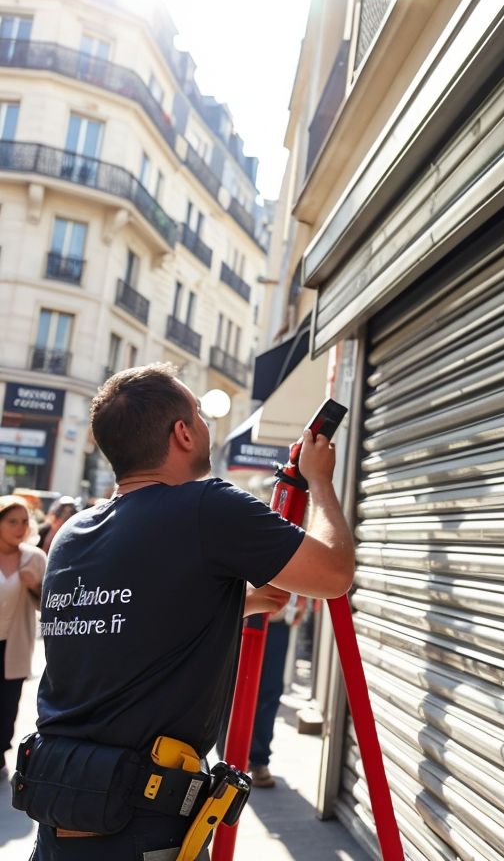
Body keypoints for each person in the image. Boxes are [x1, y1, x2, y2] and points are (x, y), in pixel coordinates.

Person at [29, 363, 355, 860]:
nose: (205, 424)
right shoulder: (206, 506)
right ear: (182, 433)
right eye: (199, 414)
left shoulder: (73, 533)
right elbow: (333, 575)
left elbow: (126, 625)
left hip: (62, 806)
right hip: (141, 825)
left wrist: (236, 603)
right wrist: (321, 482)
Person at [0, 495, 46, 781]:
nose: (19, 527)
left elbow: (49, 604)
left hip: (14, 646)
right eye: (11, 521)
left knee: (6, 704)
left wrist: (35, 586)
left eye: (24, 521)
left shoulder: (35, 558)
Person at [248, 595, 307, 789]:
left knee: (269, 693)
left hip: (276, 617)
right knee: (233, 690)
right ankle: (230, 759)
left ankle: (258, 761)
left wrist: (302, 597)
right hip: (242, 615)